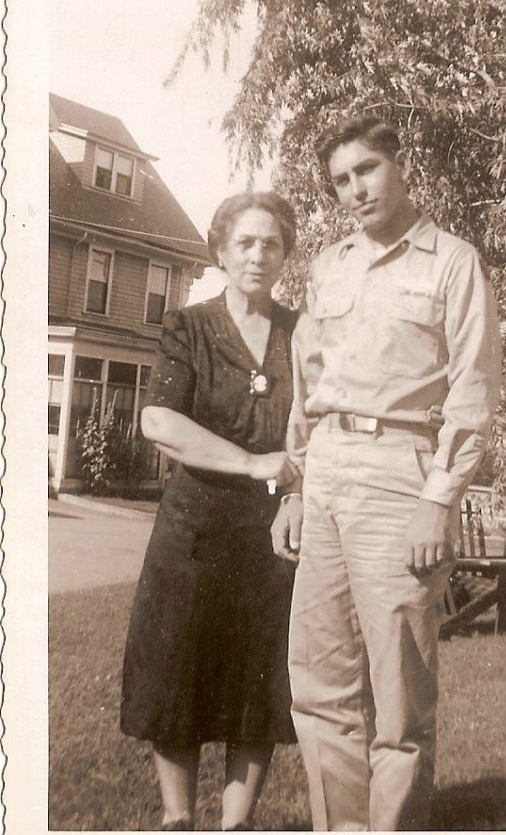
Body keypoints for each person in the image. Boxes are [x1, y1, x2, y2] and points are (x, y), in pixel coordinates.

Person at [272, 116, 502, 831]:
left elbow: (474, 391)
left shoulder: (452, 262)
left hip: (400, 472)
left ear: (400, 164)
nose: (356, 190)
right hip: (330, 467)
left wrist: (437, 502)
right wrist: (297, 486)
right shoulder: (329, 266)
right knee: (319, 685)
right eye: (341, 181)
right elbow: (307, 384)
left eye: (367, 169)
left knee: (398, 696)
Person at [121, 192, 300, 832]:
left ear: (286, 255)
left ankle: (235, 825)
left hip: (273, 538)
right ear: (221, 251)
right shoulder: (188, 328)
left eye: (272, 242)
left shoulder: (301, 334)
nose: (258, 254)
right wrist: (255, 464)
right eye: (246, 242)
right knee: (177, 674)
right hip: (192, 532)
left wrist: (297, 492)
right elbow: (160, 420)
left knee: (258, 684)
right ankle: (177, 820)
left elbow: (313, 434)